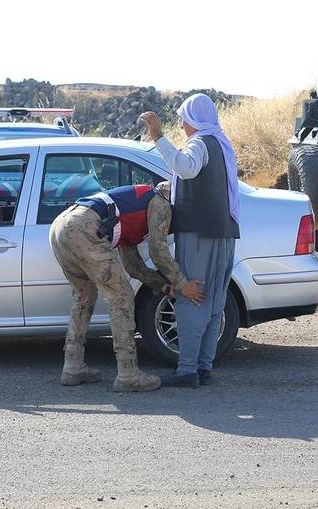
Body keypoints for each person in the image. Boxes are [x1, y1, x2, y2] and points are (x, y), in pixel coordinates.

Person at [49, 182, 203, 392]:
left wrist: (166, 287)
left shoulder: (130, 210)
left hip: (62, 225)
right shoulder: (162, 201)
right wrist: (183, 284)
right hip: (83, 226)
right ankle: (128, 374)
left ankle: (73, 366)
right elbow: (158, 250)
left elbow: (133, 266)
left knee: (83, 297)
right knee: (121, 297)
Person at [138, 93, 240, 387]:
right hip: (223, 234)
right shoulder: (220, 143)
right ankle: (203, 368)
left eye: (184, 117)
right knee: (214, 302)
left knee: (192, 297)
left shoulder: (199, 144)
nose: (181, 124)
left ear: (195, 119)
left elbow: (187, 168)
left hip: (199, 235)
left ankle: (186, 371)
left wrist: (158, 137)